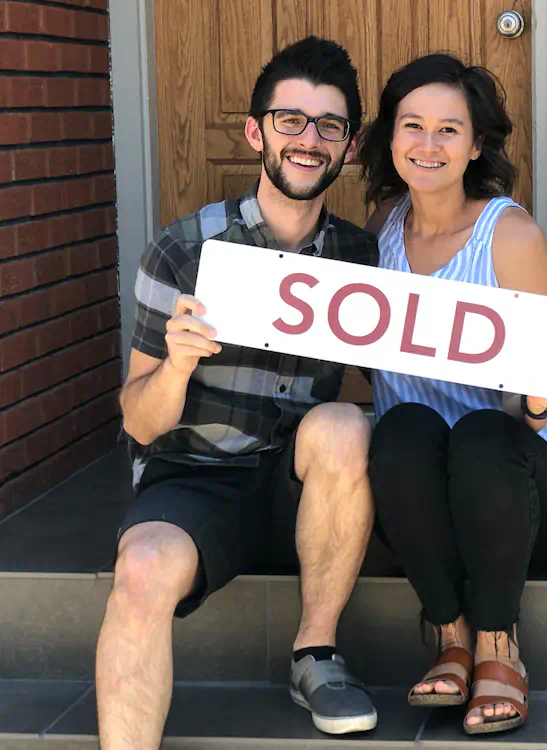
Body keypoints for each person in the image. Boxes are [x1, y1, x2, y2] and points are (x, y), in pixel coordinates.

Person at [98, 37, 379, 748]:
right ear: (256, 132)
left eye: (330, 127)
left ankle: (315, 656)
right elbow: (137, 419)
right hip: (196, 472)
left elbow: (402, 382)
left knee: (346, 423)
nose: (308, 140)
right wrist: (177, 366)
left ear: (348, 149)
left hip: (301, 482)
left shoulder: (361, 257)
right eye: (290, 120)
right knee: (141, 567)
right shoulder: (184, 249)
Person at [357, 53, 547, 736]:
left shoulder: (509, 234)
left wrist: (543, 393)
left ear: (475, 144)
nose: (428, 145)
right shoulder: (380, 231)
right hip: (428, 497)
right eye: (413, 126)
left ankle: (499, 646)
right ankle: (450, 635)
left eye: (448, 129)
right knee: (401, 427)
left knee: (483, 434)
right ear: (392, 137)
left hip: (530, 488)